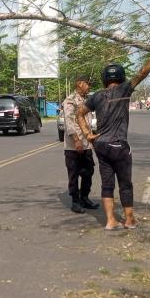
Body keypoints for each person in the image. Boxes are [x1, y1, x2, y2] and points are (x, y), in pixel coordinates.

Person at [78, 53, 150, 230]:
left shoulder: (97, 96)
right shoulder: (125, 89)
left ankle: (110, 221)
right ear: (121, 77)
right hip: (119, 146)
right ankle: (129, 220)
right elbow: (143, 72)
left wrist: (87, 134)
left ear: (104, 79)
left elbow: (79, 113)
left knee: (107, 184)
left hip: (101, 145)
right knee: (125, 184)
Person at [62, 75, 98, 214]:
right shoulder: (70, 100)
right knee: (74, 174)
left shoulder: (86, 100)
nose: (89, 86)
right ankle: (75, 201)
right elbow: (69, 121)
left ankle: (84, 198)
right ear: (79, 84)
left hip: (86, 144)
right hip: (73, 145)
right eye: (87, 83)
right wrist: (76, 140)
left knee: (88, 172)